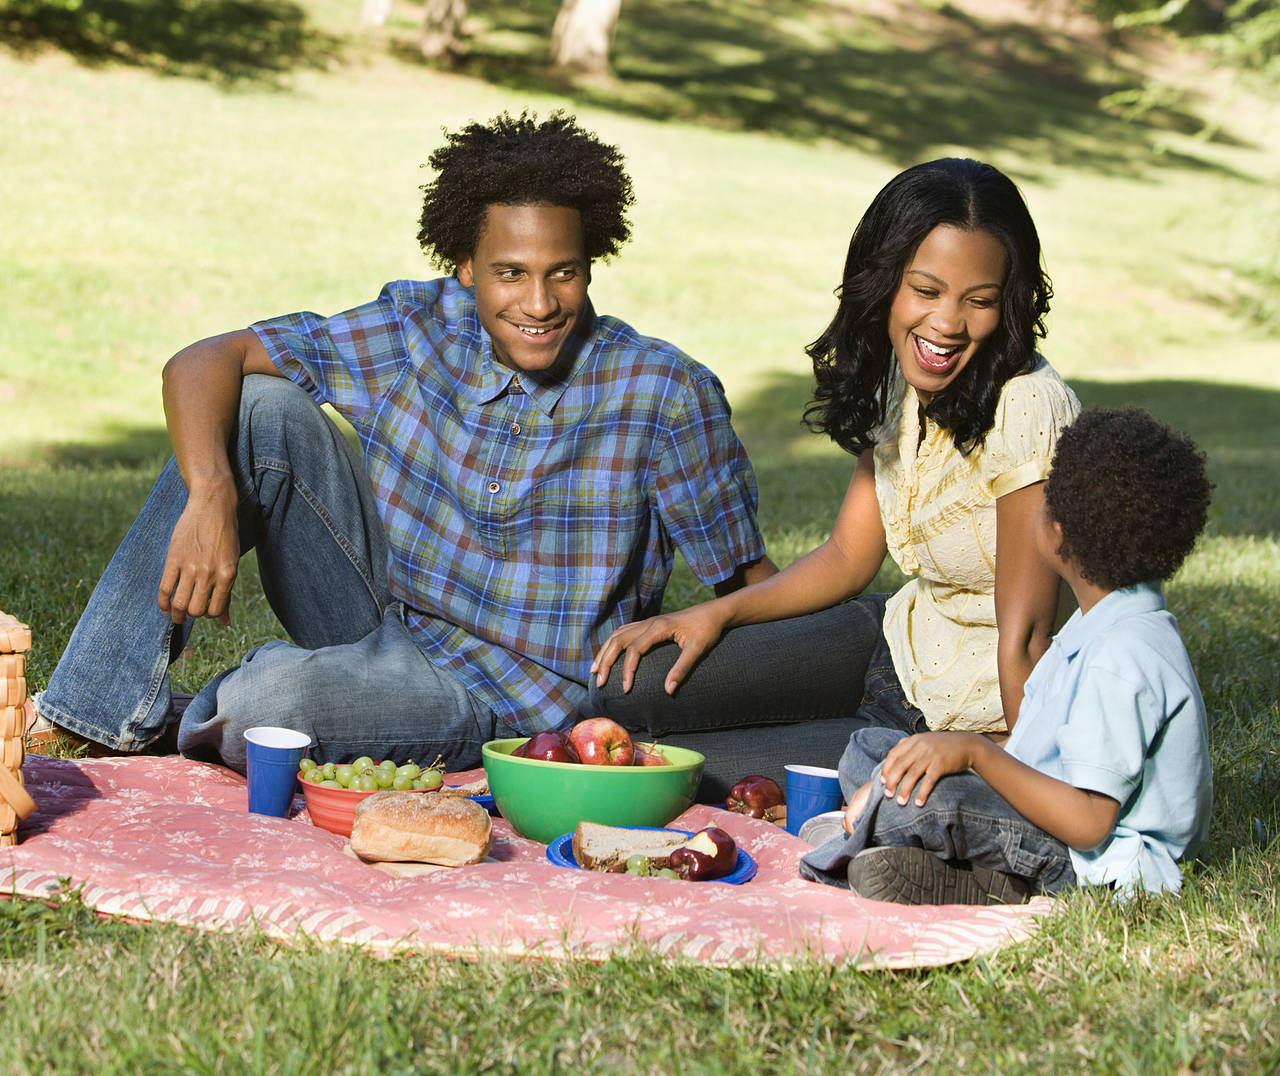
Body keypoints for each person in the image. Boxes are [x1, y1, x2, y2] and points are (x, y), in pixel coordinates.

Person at [25, 111, 778, 774]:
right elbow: (203, 361)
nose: (540, 303)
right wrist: (211, 495)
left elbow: (746, 583)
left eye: (564, 273)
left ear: (592, 262)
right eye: (510, 273)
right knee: (260, 406)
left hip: (510, 701)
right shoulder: (417, 328)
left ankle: (237, 712)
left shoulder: (665, 392)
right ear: (463, 268)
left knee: (266, 700)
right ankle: (88, 714)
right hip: (385, 616)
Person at [590, 158, 1080, 799]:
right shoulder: (902, 378)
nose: (949, 323)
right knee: (629, 689)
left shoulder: (1026, 407)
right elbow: (851, 554)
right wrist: (719, 612)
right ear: (885, 284)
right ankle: (832, 730)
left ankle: (848, 744)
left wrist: (1023, 783)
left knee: (667, 764)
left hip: (966, 722)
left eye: (979, 301)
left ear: (1008, 302)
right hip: (891, 645)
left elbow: (1028, 636)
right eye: (926, 292)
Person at [798, 407, 1213, 902]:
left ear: (1056, 532)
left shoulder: (1121, 658)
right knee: (873, 748)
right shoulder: (1105, 623)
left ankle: (925, 851)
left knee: (920, 798)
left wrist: (974, 753)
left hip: (1089, 863)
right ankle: (924, 851)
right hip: (1045, 814)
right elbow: (1040, 754)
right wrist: (959, 755)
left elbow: (1088, 823)